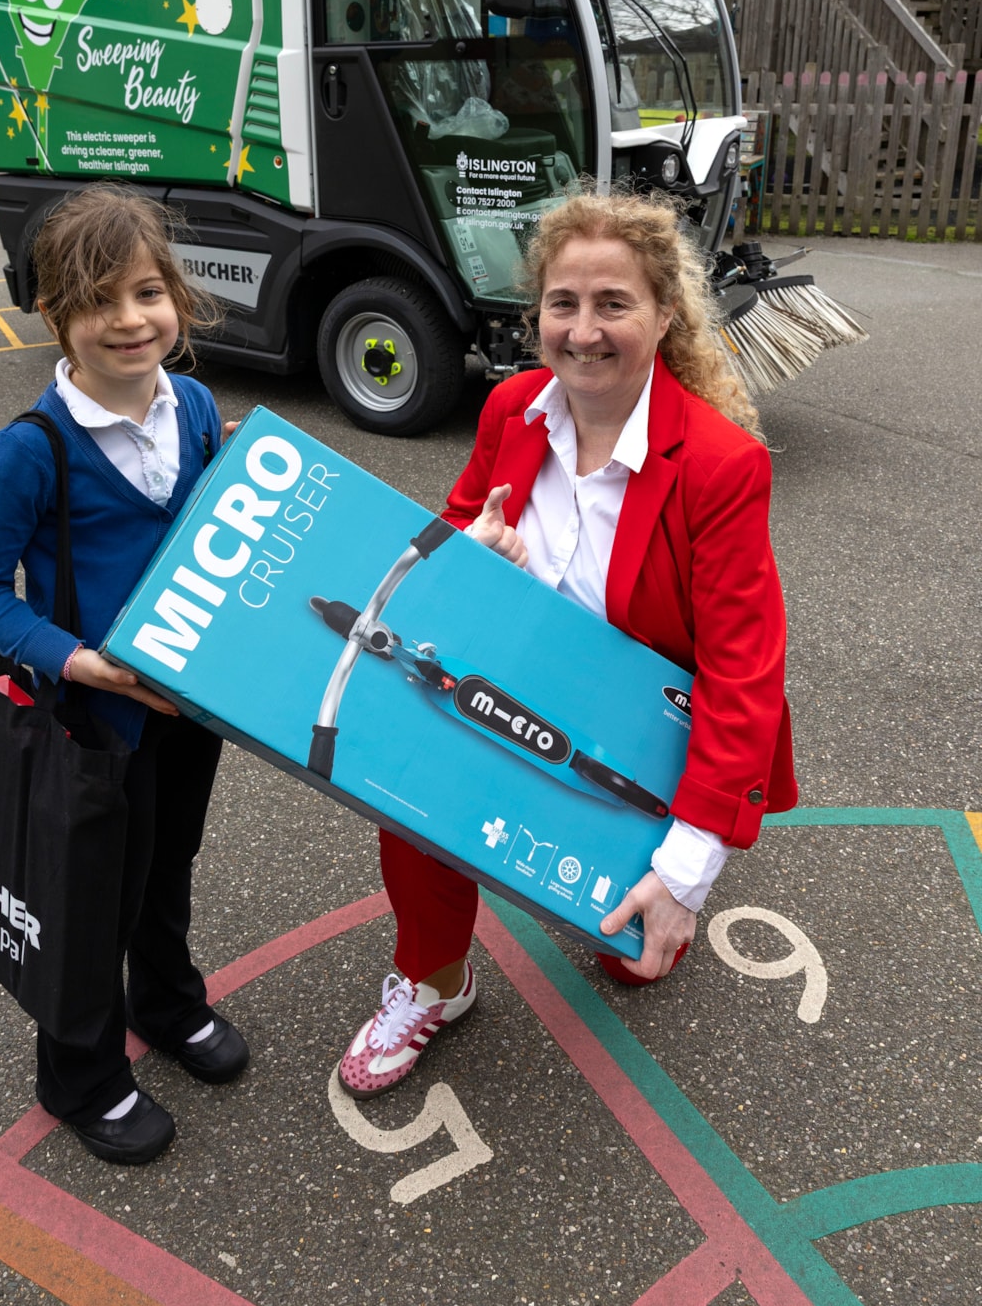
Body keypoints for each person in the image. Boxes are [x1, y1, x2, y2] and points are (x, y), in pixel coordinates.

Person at [338, 187, 797, 1098]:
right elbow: (457, 528)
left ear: (665, 315)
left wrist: (689, 862)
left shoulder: (718, 465)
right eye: (563, 303)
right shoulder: (511, 409)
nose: (583, 331)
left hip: (636, 725)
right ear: (536, 313)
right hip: (509, 676)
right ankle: (436, 979)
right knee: (409, 798)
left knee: (633, 951)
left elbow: (745, 672)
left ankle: (651, 883)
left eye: (613, 304)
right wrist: (476, 557)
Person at [0, 186, 248, 1164]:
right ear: (53, 317)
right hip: (91, 725)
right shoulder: (30, 453)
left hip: (187, 706)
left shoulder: (196, 406)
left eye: (147, 292)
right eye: (96, 301)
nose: (128, 320)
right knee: (90, 900)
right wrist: (83, 663)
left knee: (168, 865)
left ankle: (166, 1005)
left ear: (178, 301)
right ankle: (81, 1075)